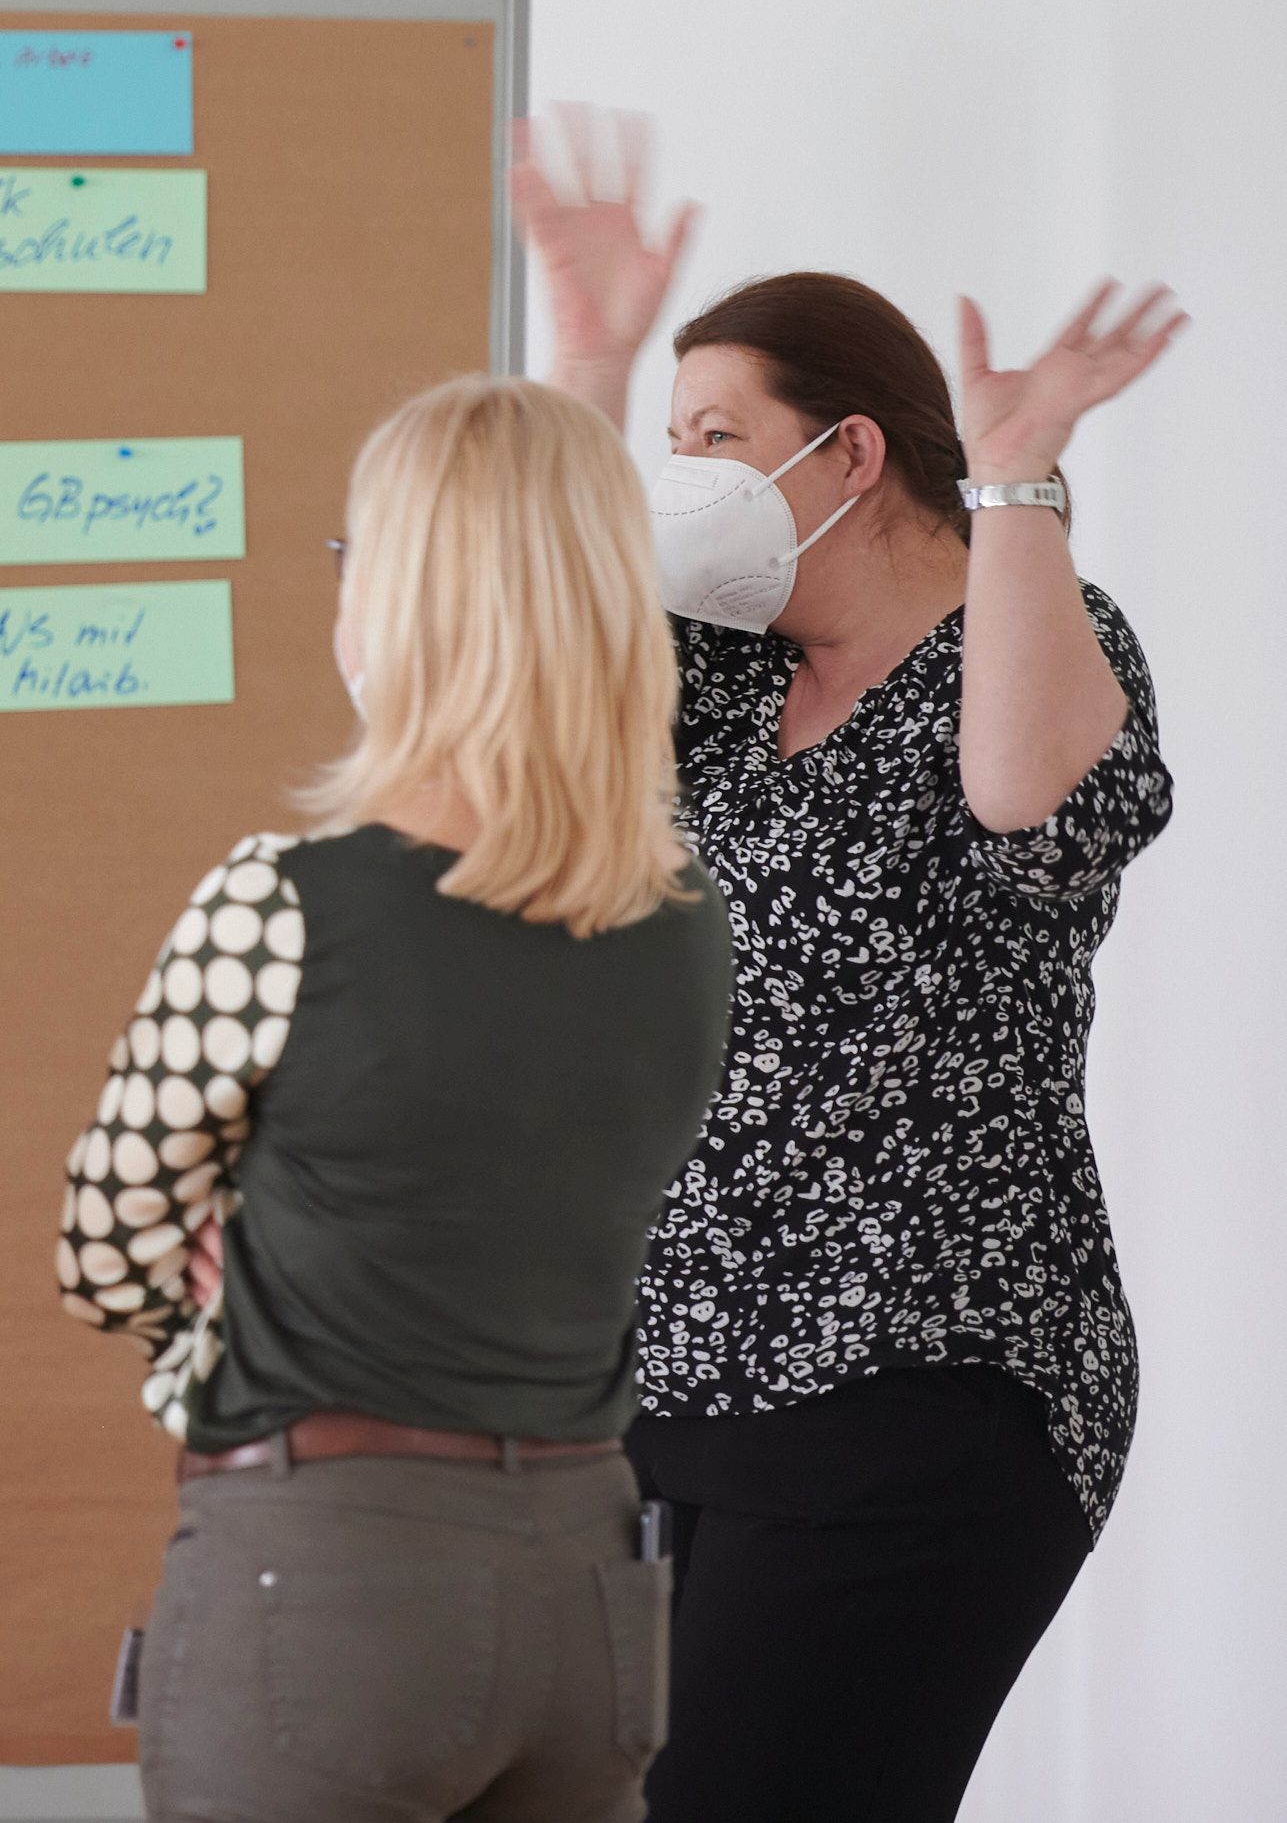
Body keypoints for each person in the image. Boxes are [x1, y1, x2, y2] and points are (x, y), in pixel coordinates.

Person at [521, 109, 1184, 1823]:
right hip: (677, 1385)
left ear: (854, 455)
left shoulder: (1042, 635)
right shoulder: (724, 674)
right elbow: (525, 664)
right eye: (672, 442)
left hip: (928, 1378)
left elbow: (1020, 786)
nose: (686, 477)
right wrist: (587, 353)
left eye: (720, 435)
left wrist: (1024, 466)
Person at [60, 375, 732, 1823]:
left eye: (357, 551)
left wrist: (230, 1311)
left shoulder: (284, 901)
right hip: (590, 1583)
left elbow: (105, 1252)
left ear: (409, 602)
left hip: (331, 1576)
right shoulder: (685, 927)